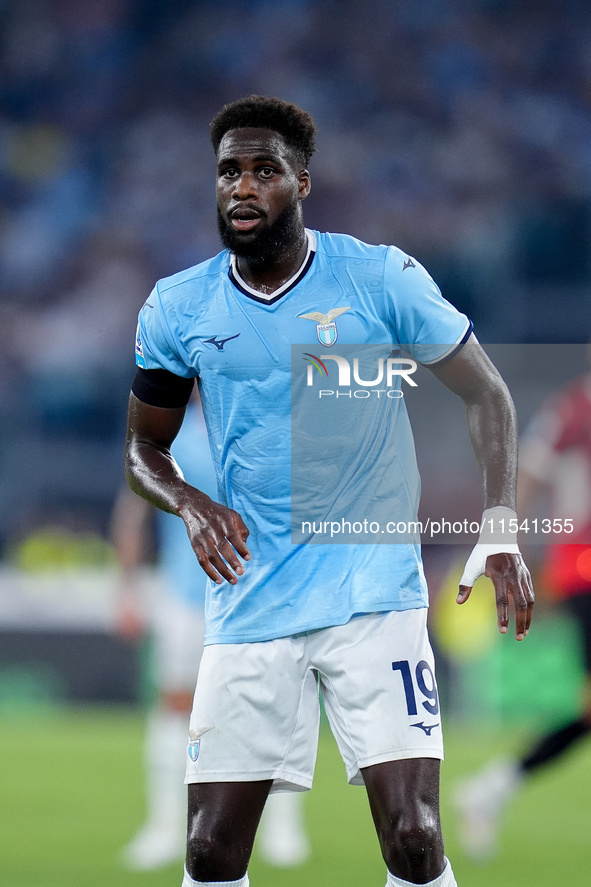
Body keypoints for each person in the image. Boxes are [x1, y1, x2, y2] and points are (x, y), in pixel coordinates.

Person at [124, 95, 534, 887]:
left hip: (371, 594)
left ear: (301, 183)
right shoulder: (179, 306)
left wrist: (500, 525)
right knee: (209, 851)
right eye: (228, 172)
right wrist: (189, 499)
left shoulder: (379, 277)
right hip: (251, 597)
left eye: (263, 171)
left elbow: (486, 394)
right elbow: (145, 446)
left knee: (413, 840)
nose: (243, 188)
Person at [113, 396, 310, 870]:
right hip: (187, 594)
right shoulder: (172, 432)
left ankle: (283, 829)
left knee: (276, 707)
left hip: (261, 594)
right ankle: (163, 827)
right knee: (176, 703)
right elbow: (134, 506)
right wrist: (127, 586)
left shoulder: (269, 421)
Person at [453, 362, 591, 861]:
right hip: (584, 565)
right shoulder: (575, 407)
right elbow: (528, 470)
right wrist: (510, 541)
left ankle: (492, 788)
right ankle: (492, 788)